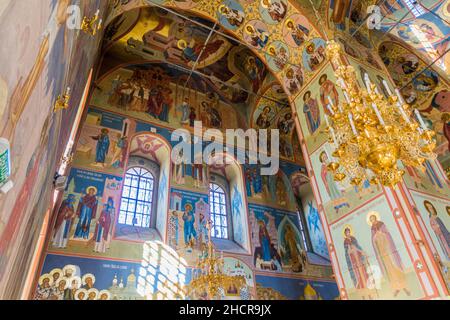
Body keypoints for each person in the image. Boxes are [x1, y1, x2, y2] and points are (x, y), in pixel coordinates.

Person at [369, 212, 410, 297]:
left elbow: (387, 233)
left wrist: (382, 233)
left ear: (376, 218)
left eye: (373, 219)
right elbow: (373, 241)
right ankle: (396, 288)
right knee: (389, 270)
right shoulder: (372, 228)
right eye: (371, 220)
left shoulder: (381, 224)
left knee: (395, 267)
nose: (373, 221)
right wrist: (375, 237)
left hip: (389, 250)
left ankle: (404, 287)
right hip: (382, 253)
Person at [343, 227, 372, 299]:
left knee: (365, 276)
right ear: (345, 234)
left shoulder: (353, 238)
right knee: (358, 278)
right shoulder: (345, 241)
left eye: (348, 232)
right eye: (346, 233)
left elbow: (358, 247)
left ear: (350, 232)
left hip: (359, 261)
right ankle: (363, 296)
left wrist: (363, 252)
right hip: (354, 263)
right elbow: (347, 253)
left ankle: (369, 294)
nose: (348, 233)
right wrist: (350, 250)